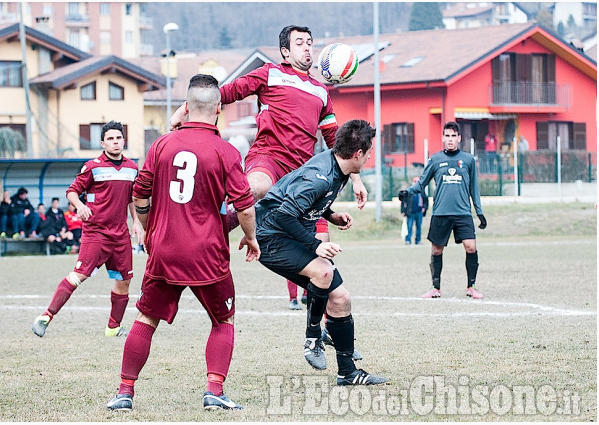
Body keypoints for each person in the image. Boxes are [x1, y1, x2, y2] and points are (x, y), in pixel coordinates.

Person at [170, 24, 368, 314]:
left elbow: (336, 140)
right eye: (299, 43)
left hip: (302, 176)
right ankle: (202, 237)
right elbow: (226, 92)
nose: (307, 47)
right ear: (285, 52)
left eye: (310, 42)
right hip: (269, 158)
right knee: (255, 188)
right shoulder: (269, 73)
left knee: (323, 254)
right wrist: (185, 110)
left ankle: (327, 324)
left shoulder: (322, 92)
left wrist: (357, 176)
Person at [106, 75, 260, 412]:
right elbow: (245, 205)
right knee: (224, 320)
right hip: (207, 253)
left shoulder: (162, 144)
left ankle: (124, 392)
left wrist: (146, 228)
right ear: (219, 109)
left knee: (146, 318)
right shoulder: (225, 150)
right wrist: (250, 237)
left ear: (186, 107)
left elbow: (140, 192)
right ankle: (214, 390)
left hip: (164, 250)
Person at [255, 119, 386, 386]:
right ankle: (313, 337)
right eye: (369, 152)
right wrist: (316, 244)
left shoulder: (338, 169)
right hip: (272, 237)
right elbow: (283, 215)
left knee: (341, 298)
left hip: (291, 230)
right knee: (323, 270)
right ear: (358, 154)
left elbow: (309, 201)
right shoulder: (320, 176)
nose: (370, 157)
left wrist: (332, 215)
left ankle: (347, 373)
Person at [31, 121, 144, 338]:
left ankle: (113, 327)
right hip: (96, 233)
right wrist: (80, 205)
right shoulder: (92, 166)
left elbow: (132, 197)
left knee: (124, 280)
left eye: (118, 138)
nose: (115, 142)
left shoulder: (132, 168)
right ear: (103, 143)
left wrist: (136, 222)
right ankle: (45, 316)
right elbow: (72, 191)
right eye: (110, 139)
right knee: (79, 275)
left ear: (123, 140)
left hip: (120, 235)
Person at [398, 121, 487, 299]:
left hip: (463, 213)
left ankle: (471, 286)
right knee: (437, 250)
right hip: (440, 213)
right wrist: (407, 192)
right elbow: (421, 183)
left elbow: (474, 189)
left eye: (454, 136)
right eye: (447, 136)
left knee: (471, 247)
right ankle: (435, 288)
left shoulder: (468, 160)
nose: (451, 139)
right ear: (443, 138)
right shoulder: (435, 160)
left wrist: (479, 212)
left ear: (459, 138)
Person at [400, 176, 428, 245]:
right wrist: (403, 211)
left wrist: (424, 208)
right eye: (415, 182)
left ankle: (418, 240)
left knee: (419, 227)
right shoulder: (409, 191)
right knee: (409, 227)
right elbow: (403, 201)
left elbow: (425, 200)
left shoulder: (422, 191)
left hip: (419, 212)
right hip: (410, 212)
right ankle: (408, 240)